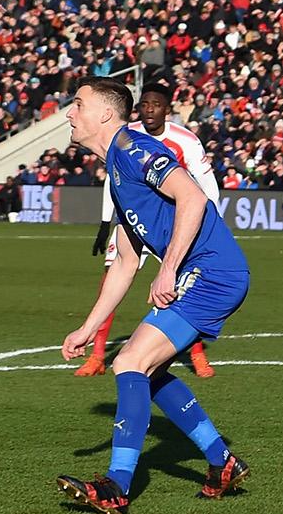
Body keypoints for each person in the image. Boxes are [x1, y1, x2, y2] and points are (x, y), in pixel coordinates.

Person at [55, 79, 250, 514]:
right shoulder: (117, 175)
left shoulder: (135, 149)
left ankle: (116, 487)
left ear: (106, 114)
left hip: (212, 272)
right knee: (151, 371)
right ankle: (222, 462)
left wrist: (168, 267)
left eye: (78, 104)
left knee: (128, 361)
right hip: (204, 272)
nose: (70, 113)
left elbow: (193, 196)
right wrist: (88, 327)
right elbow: (125, 263)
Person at [76, 83, 220, 378]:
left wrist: (208, 227)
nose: (149, 109)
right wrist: (106, 222)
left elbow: (205, 188)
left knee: (181, 287)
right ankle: (97, 355)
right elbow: (114, 182)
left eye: (156, 104)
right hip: (132, 222)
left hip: (171, 227)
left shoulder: (185, 140)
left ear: (167, 110)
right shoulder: (125, 137)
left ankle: (196, 354)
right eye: (144, 104)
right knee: (112, 275)